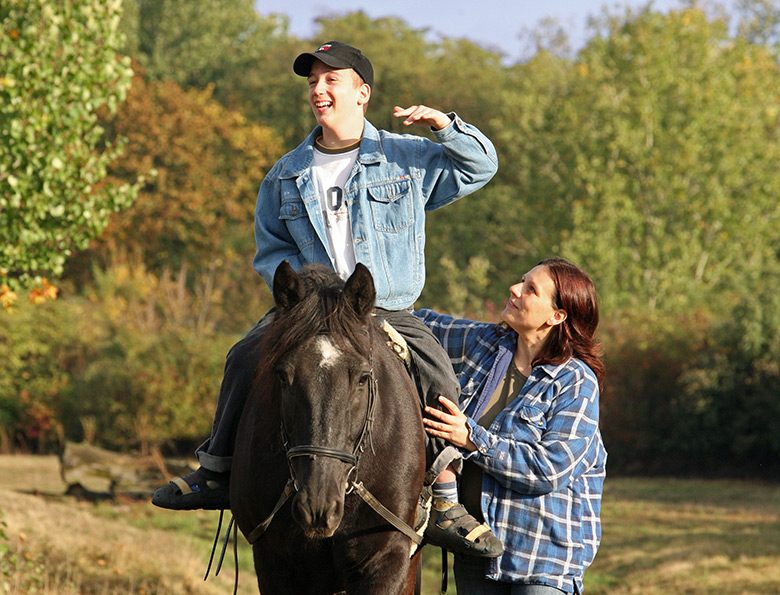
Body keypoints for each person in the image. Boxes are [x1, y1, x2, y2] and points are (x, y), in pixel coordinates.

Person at [152, 40, 502, 556]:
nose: (319, 89)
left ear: (362, 93)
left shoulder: (405, 160)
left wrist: (444, 125)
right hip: (309, 312)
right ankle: (216, 471)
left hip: (382, 310)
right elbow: (271, 249)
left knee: (438, 374)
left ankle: (444, 495)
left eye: (331, 79)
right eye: (313, 81)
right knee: (243, 356)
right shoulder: (286, 174)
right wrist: (296, 295)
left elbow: (480, 167)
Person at [416, 258, 607, 594]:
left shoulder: (575, 381)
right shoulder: (488, 345)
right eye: (522, 280)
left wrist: (471, 438)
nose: (515, 290)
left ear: (556, 316)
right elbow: (422, 326)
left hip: (540, 563)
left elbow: (548, 469)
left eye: (530, 289)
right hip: (476, 549)